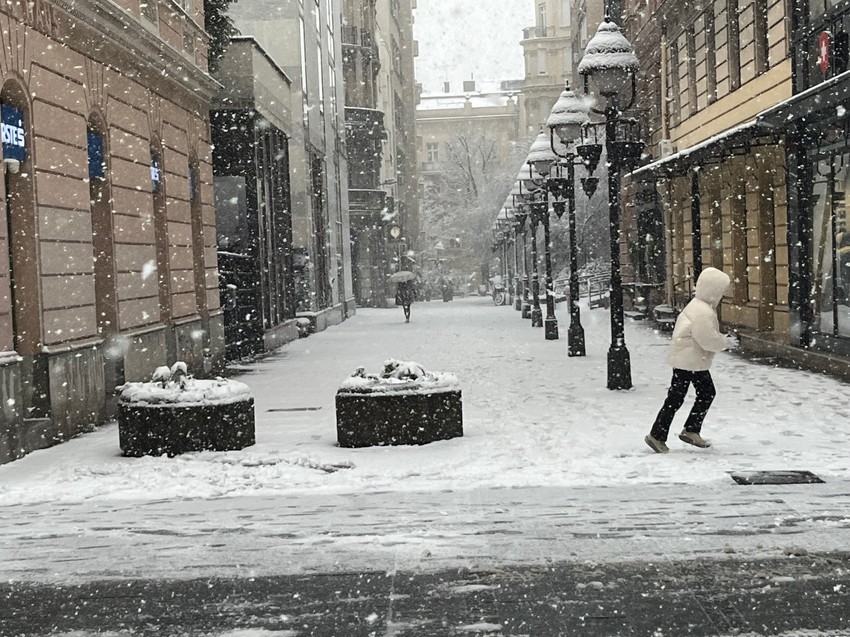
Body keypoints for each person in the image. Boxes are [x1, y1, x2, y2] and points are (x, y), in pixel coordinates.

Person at [645, 266, 738, 453]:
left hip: (688, 359)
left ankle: (678, 431)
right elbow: (707, 340)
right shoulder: (703, 311)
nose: (722, 295)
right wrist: (726, 342)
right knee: (699, 394)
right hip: (690, 360)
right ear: (713, 290)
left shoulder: (698, 305)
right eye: (721, 290)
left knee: (682, 396)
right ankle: (671, 433)